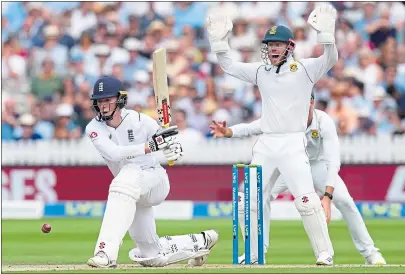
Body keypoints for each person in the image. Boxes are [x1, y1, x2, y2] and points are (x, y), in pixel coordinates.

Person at [206, 4, 338, 264]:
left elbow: (330, 59)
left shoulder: (305, 69)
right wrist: (218, 42)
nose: (273, 49)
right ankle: (254, 253)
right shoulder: (260, 71)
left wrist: (327, 36)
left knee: (306, 201)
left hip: (292, 142)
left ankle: (325, 253)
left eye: (278, 44)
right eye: (270, 45)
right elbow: (228, 66)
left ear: (290, 46)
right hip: (266, 143)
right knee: (249, 200)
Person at [209, 92, 387, 265]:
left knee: (345, 202)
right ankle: (256, 253)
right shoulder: (283, 118)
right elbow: (253, 127)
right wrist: (228, 131)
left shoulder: (323, 121)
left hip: (316, 166)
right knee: (258, 197)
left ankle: (371, 253)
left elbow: (333, 160)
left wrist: (327, 196)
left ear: (311, 102)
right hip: (288, 166)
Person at [85, 76, 218, 268]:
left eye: (108, 100)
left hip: (154, 180)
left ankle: (105, 253)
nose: (103, 106)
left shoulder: (140, 120)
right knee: (151, 257)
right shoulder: (93, 128)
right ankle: (199, 241)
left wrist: (173, 148)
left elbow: (166, 141)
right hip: (130, 193)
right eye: (99, 101)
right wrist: (149, 146)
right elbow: (114, 154)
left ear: (120, 99)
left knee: (127, 175)